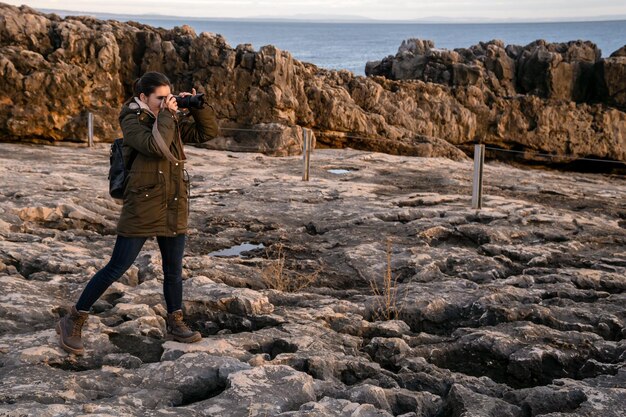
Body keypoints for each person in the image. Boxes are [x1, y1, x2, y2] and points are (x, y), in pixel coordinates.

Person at [56, 71, 219, 355]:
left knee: (173, 272)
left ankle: (175, 321)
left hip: (173, 202)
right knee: (117, 267)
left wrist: (196, 107)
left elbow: (208, 133)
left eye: (168, 96)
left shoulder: (169, 118)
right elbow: (154, 146)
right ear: (143, 97)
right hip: (143, 204)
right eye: (160, 98)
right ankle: (73, 319)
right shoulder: (132, 118)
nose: (166, 101)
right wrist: (168, 115)